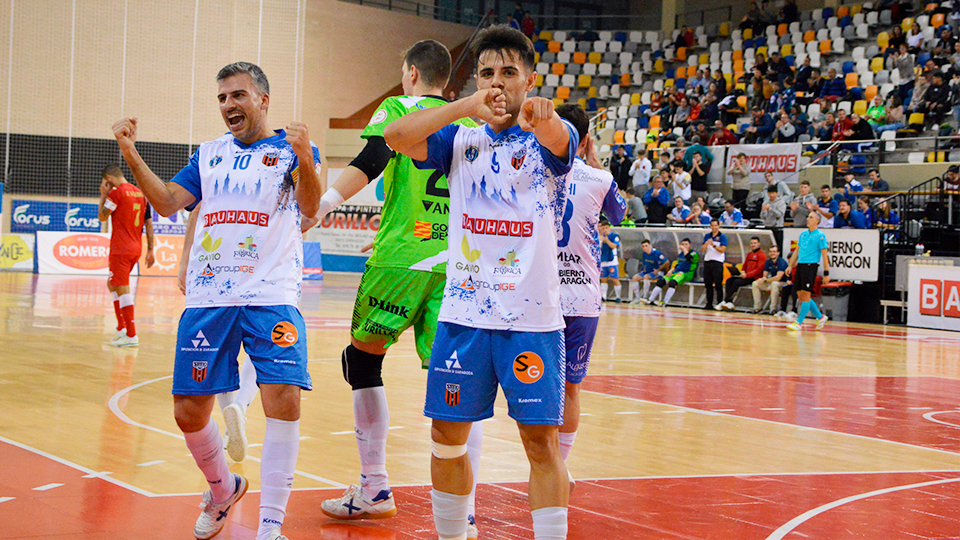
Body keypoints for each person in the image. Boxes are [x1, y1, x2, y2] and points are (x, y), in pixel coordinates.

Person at [112, 61, 323, 540]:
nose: (229, 105)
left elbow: (309, 208)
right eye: (223, 97)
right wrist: (130, 152)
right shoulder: (207, 154)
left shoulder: (292, 150)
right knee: (188, 412)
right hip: (210, 296)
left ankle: (270, 527)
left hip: (271, 295)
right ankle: (223, 488)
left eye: (239, 95)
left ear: (263, 101)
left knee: (284, 400)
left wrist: (306, 157)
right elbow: (167, 202)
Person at [383, 25, 576, 540]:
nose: (497, 84)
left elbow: (560, 139)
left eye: (509, 73)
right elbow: (396, 137)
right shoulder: (459, 136)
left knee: (541, 445)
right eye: (487, 73)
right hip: (463, 317)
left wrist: (545, 117)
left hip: (531, 320)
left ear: (529, 79)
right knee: (446, 438)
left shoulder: (548, 138)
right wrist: (464, 105)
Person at [311, 41, 483, 528]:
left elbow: (372, 157)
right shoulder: (471, 122)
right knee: (456, 382)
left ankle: (374, 486)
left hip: (401, 261)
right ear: (448, 81)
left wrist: (322, 206)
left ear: (411, 73)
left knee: (361, 361)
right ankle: (463, 510)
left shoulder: (402, 109)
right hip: (456, 263)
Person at [554, 104, 626, 476]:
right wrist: (593, 158)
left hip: (538, 295)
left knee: (533, 387)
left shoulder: (535, 170)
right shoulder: (601, 180)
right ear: (584, 139)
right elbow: (619, 214)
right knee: (571, 389)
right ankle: (558, 469)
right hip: (581, 296)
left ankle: (543, 464)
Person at [176, 201, 268, 463]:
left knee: (219, 347)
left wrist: (185, 259)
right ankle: (240, 407)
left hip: (217, 264)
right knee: (262, 345)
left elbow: (195, 208)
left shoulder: (214, 163)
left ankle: (231, 419)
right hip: (258, 260)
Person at [98, 163, 155, 348]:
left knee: (122, 288)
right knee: (112, 283)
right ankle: (121, 328)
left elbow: (102, 216)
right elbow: (148, 223)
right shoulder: (140, 193)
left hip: (120, 249)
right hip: (135, 247)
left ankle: (131, 334)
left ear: (109, 179)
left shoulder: (116, 192)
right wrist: (150, 249)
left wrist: (103, 195)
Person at [785, 212, 831, 331]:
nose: (807, 219)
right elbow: (797, 251)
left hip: (810, 267)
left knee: (806, 295)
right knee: (801, 296)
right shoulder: (803, 234)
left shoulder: (820, 235)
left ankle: (799, 322)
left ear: (817, 221)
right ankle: (820, 317)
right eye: (808, 216)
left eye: (810, 217)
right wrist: (790, 265)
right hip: (801, 265)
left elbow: (825, 256)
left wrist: (826, 273)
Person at [643, 238, 700, 306]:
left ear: (690, 245)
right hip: (677, 272)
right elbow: (679, 264)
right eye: (682, 244)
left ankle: (665, 302)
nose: (684, 246)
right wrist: (671, 270)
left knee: (672, 283)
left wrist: (684, 249)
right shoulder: (681, 254)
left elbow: (689, 258)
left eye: (686, 244)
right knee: (661, 281)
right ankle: (650, 300)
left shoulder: (694, 253)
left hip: (686, 273)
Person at [719, 235, 767, 311]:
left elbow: (759, 269)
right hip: (746, 276)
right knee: (729, 280)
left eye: (755, 243)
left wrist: (747, 275)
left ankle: (726, 300)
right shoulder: (749, 254)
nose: (753, 245)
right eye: (751, 243)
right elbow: (744, 265)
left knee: (736, 282)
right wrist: (742, 271)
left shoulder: (762, 255)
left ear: (759, 244)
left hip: (754, 277)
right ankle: (729, 302)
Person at [752, 244, 789, 314]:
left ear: (778, 253)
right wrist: (762, 279)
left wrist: (766, 280)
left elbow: (778, 277)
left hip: (783, 283)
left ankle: (773, 309)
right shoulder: (768, 262)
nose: (772, 253)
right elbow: (765, 275)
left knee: (774, 284)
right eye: (771, 252)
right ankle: (757, 307)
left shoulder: (782, 262)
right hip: (771, 282)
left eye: (774, 251)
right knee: (755, 283)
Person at [702, 219, 728, 310]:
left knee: (718, 283)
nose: (714, 227)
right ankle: (709, 303)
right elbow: (703, 250)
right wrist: (706, 244)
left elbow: (722, 250)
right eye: (712, 225)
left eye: (715, 225)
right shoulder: (707, 236)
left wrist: (713, 245)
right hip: (708, 261)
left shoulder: (722, 237)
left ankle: (719, 302)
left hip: (717, 262)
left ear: (718, 226)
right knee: (708, 284)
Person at [599, 220, 622, 302]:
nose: (605, 230)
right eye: (603, 228)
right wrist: (601, 240)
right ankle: (603, 297)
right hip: (603, 260)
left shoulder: (615, 236)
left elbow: (614, 246)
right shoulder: (600, 236)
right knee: (603, 279)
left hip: (612, 261)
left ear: (609, 228)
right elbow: (599, 247)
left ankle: (618, 297)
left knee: (614, 279)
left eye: (606, 228)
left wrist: (606, 240)